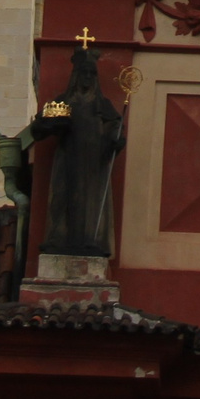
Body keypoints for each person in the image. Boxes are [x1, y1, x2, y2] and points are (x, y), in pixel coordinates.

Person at [42, 45, 127, 257]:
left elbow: (115, 128)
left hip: (94, 162)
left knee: (92, 201)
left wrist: (115, 141)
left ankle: (91, 240)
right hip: (68, 158)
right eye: (84, 73)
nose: (88, 77)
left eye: (92, 73)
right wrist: (54, 125)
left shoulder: (102, 105)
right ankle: (59, 238)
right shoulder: (63, 102)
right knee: (63, 198)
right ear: (76, 76)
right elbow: (38, 129)